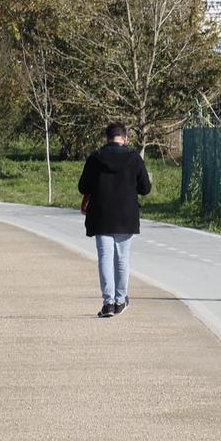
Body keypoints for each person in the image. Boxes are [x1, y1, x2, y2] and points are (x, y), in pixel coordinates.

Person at [79, 122, 152, 318]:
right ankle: (120, 301)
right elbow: (145, 188)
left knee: (105, 258)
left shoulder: (96, 158)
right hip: (126, 215)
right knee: (122, 259)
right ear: (125, 138)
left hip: (101, 215)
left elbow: (83, 186)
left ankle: (108, 304)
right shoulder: (134, 158)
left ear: (107, 138)